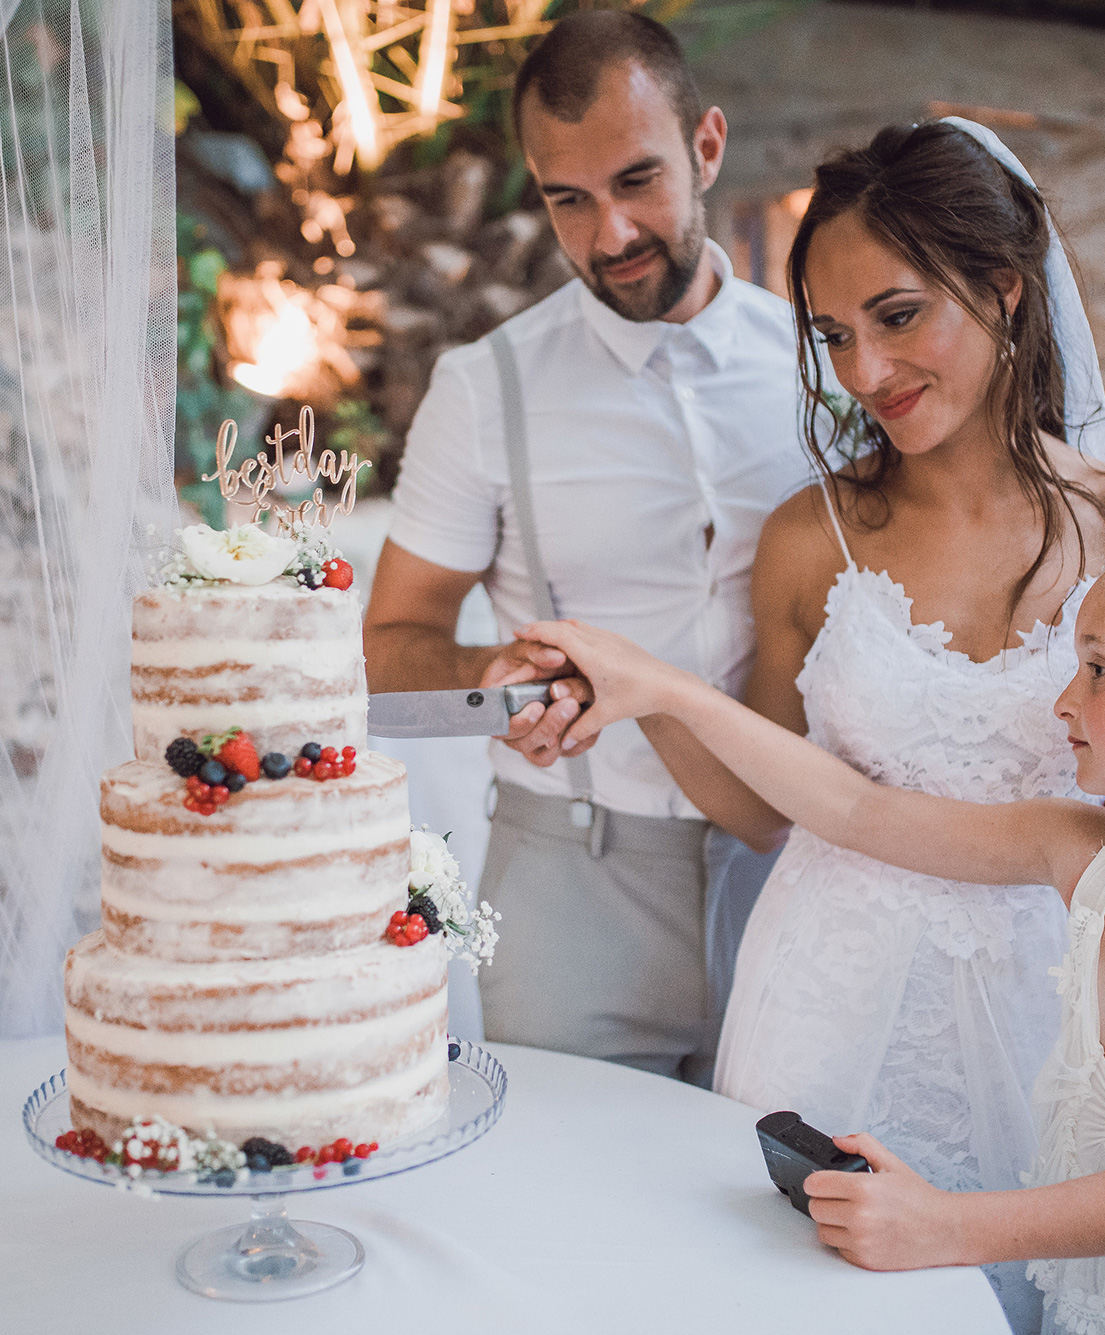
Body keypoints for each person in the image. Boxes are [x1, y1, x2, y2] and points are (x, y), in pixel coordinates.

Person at [524, 121, 1105, 1328]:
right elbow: (774, 810)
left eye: (897, 318)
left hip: (1069, 1003)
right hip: (830, 991)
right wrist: (645, 696)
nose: (862, 373)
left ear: (1003, 289)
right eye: (833, 337)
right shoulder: (808, 538)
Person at [520, 523, 1105, 1335]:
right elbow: (855, 807)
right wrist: (665, 691)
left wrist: (944, 1224)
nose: (1063, 700)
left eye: (1096, 667)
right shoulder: (1078, 849)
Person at [363, 11, 804, 1084]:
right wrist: (484, 675)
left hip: (801, 883)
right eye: (568, 199)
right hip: (574, 889)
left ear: (705, 146)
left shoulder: (819, 367)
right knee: (570, 1225)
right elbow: (391, 656)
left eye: (636, 182)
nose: (608, 235)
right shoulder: (484, 390)